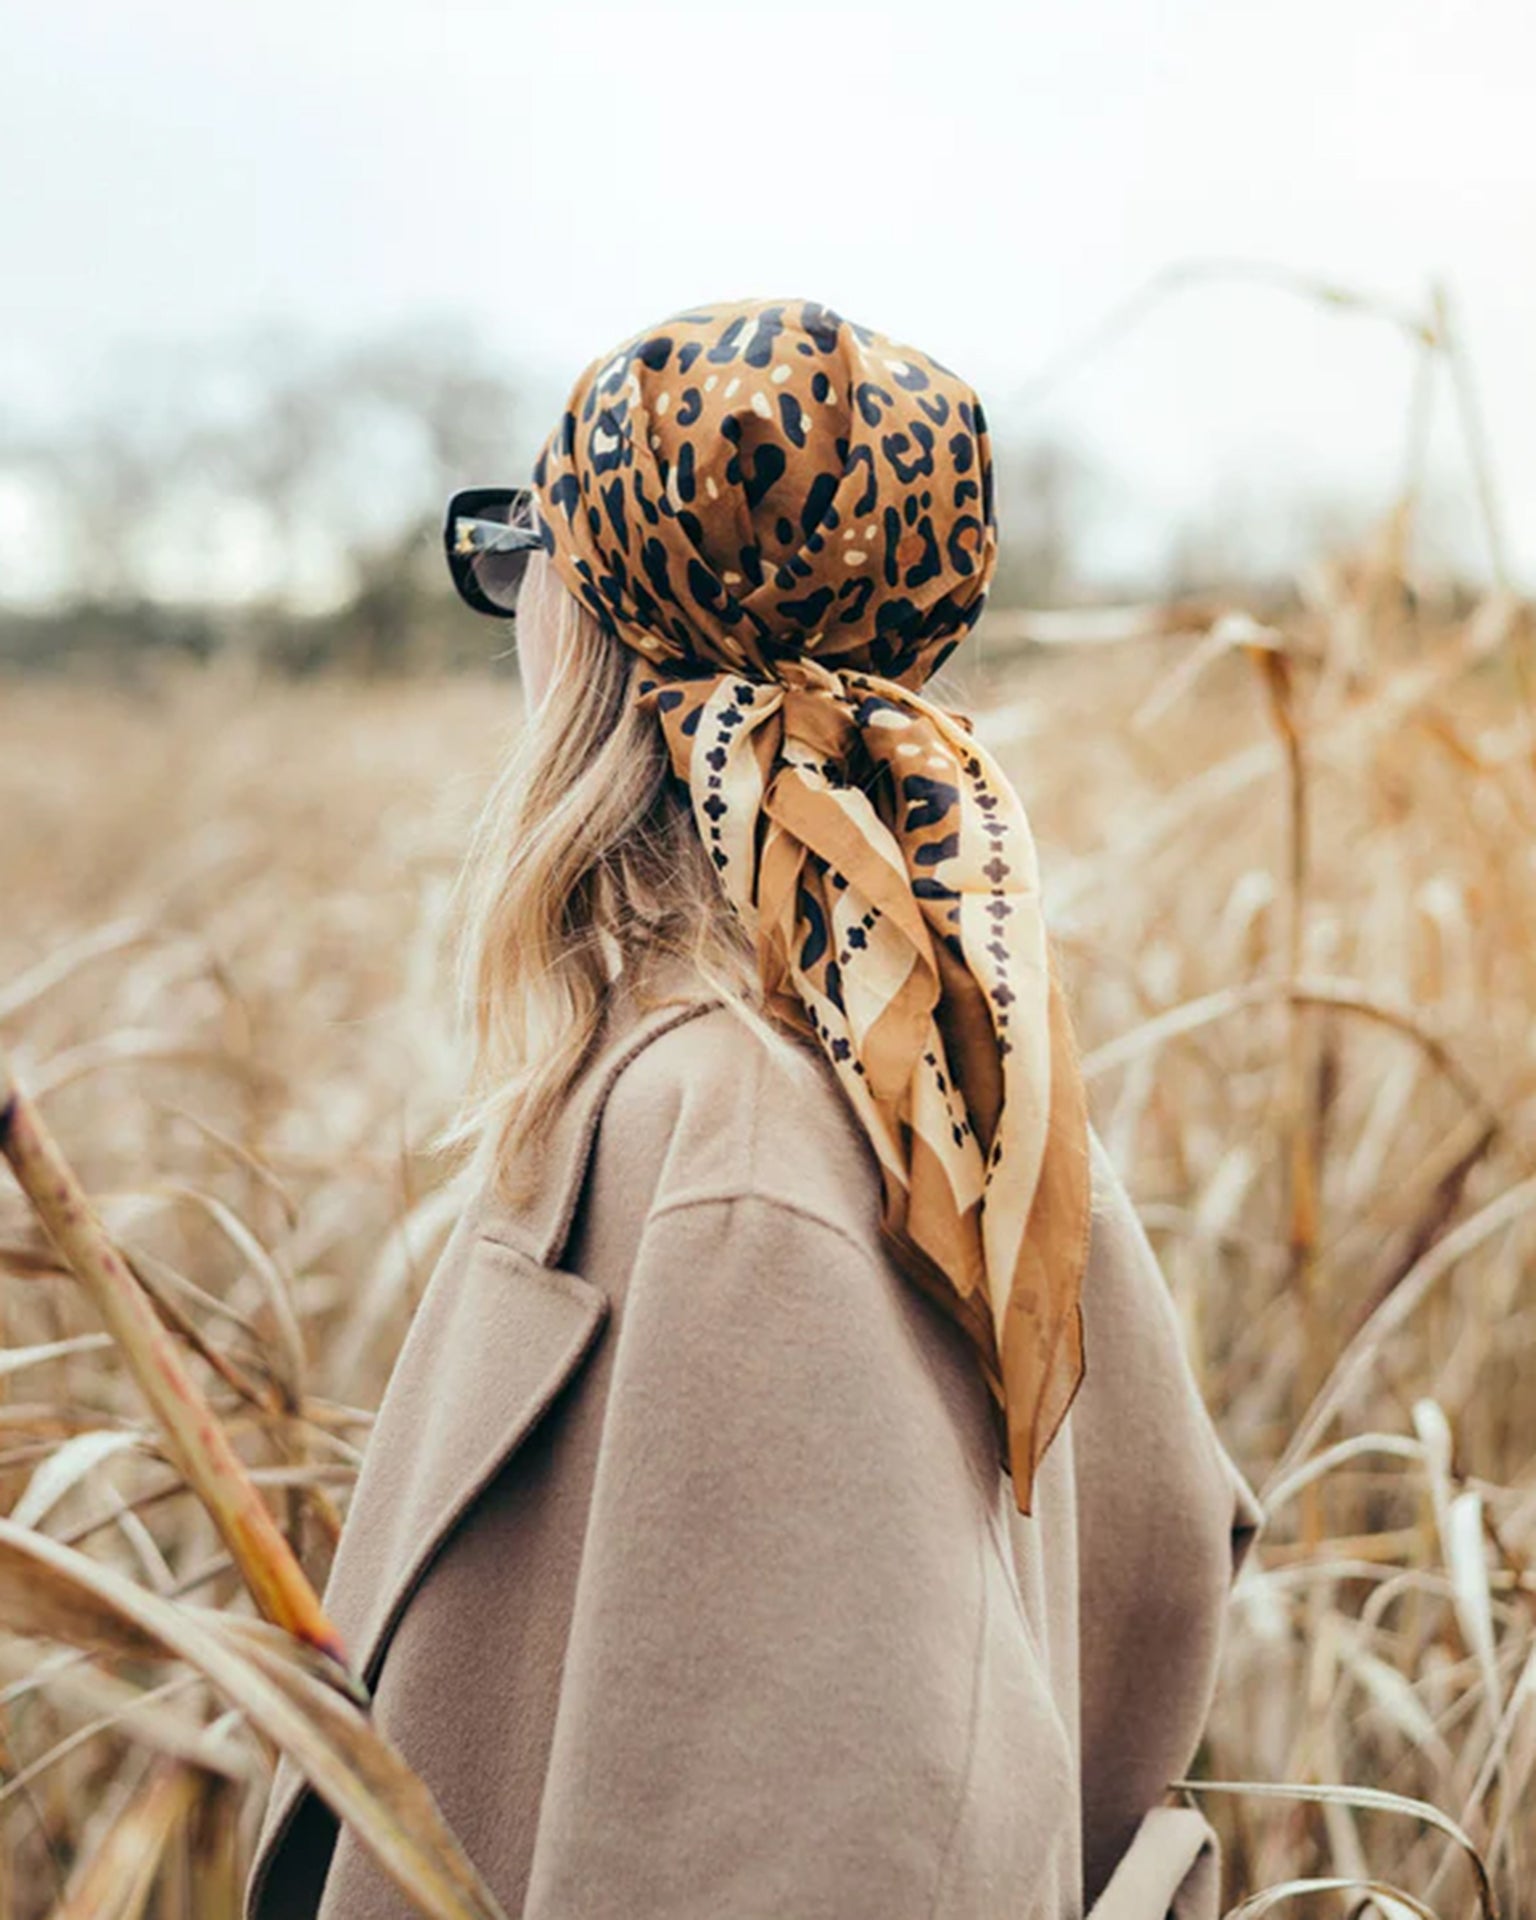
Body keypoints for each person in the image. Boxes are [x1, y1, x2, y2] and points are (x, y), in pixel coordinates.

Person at [244, 297, 1264, 1920]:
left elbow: (802, 1855)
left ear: (595, 624)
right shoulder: (947, 1069)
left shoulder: (730, 1146)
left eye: (524, 551)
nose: (515, 607)